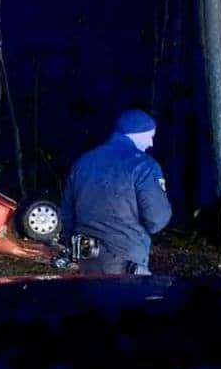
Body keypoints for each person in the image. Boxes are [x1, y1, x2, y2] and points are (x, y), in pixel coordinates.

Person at [61, 109, 172, 275]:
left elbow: (66, 216)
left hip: (85, 262)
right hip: (124, 265)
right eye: (150, 136)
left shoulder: (83, 162)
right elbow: (156, 220)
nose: (151, 144)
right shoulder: (143, 165)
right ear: (137, 133)